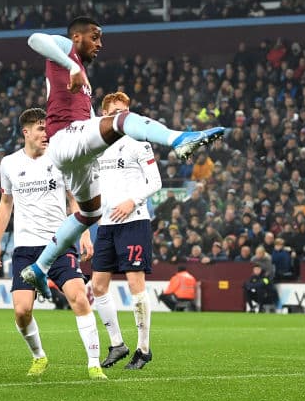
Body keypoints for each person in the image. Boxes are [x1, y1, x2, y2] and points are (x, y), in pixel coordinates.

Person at [19, 17, 225, 297]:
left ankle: (40, 268)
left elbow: (87, 119)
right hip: (66, 137)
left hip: (75, 153)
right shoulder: (66, 49)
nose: (100, 44)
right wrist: (70, 65)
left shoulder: (81, 76)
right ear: (77, 37)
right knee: (121, 119)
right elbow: (34, 39)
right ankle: (179, 139)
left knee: (90, 214)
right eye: (95, 37)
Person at [0, 108, 107, 380]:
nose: (46, 134)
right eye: (41, 129)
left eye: (48, 128)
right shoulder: (8, 163)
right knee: (21, 310)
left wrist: (85, 234)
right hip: (25, 248)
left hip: (59, 243)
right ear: (26, 132)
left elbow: (75, 199)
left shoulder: (59, 158)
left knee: (78, 298)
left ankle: (93, 364)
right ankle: (39, 356)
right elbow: (6, 204)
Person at [92, 92, 162, 371]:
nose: (121, 116)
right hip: (106, 225)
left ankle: (143, 349)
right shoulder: (96, 147)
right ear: (104, 113)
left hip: (134, 221)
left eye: (125, 111)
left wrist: (132, 200)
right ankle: (117, 343)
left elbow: (155, 181)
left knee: (136, 284)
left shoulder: (138, 143)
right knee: (98, 286)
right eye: (116, 111)